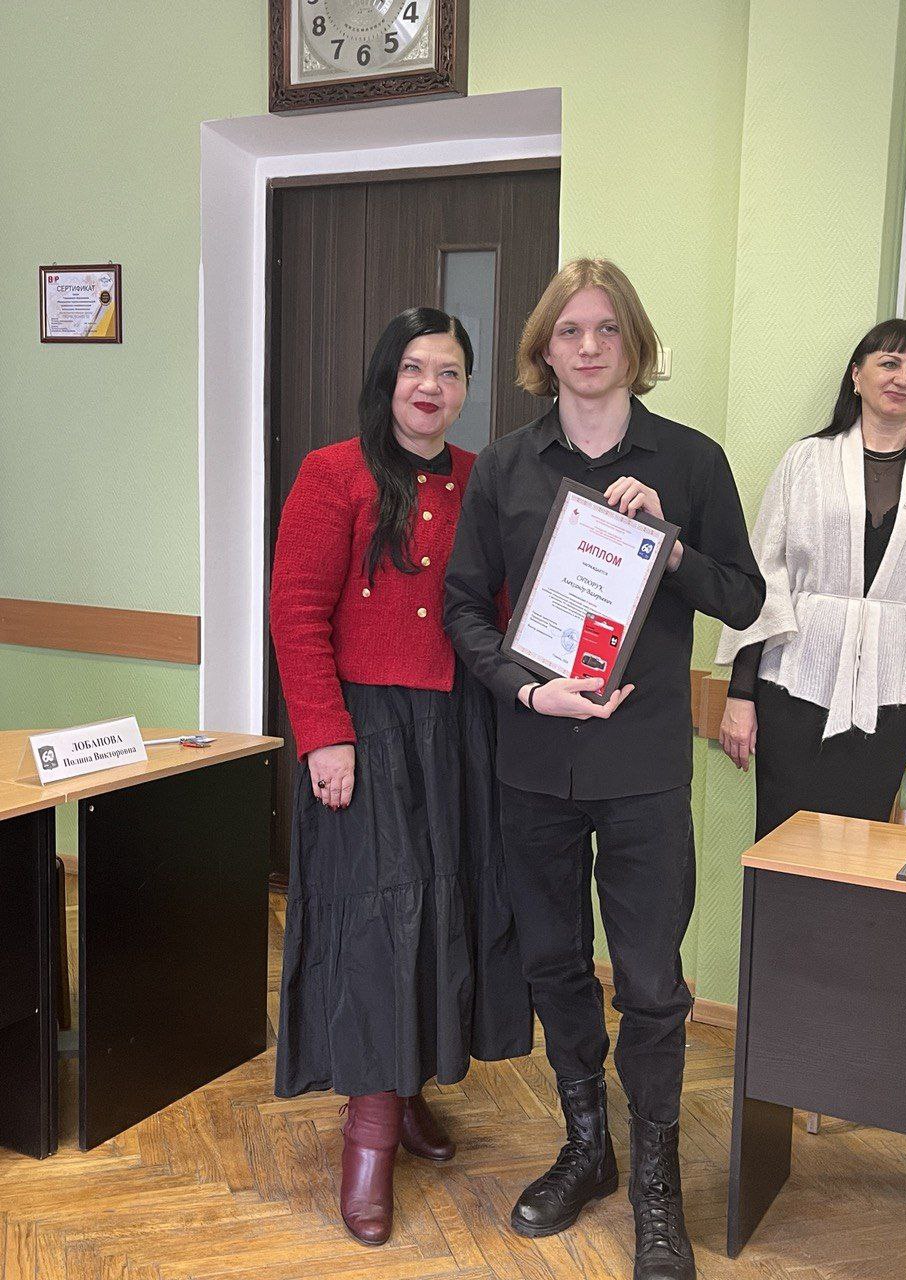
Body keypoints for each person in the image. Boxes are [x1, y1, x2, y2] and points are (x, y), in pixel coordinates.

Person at [444, 260, 764, 1280]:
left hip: (643, 767)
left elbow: (745, 598)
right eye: (570, 331)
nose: (588, 347)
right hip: (534, 759)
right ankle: (589, 1146)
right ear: (544, 350)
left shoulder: (692, 460)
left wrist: (668, 548)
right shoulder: (505, 467)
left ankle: (658, 1186)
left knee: (655, 983)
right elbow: (463, 607)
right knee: (552, 963)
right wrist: (526, 690)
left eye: (607, 329)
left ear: (635, 343)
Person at [269, 308, 532, 1247]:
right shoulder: (331, 472)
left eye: (450, 372)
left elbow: (506, 603)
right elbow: (296, 613)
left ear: (466, 389)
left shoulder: (481, 476)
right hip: (363, 729)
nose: (431, 387)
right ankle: (370, 1133)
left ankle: (409, 1083)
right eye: (416, 369)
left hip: (459, 726)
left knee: (441, 910)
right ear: (388, 380)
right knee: (376, 923)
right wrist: (323, 737)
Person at [716, 319, 906, 839]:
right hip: (796, 675)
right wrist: (740, 693)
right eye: (889, 363)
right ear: (856, 375)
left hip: (894, 679)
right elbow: (764, 573)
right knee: (783, 837)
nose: (903, 378)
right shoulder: (807, 459)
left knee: (863, 839)